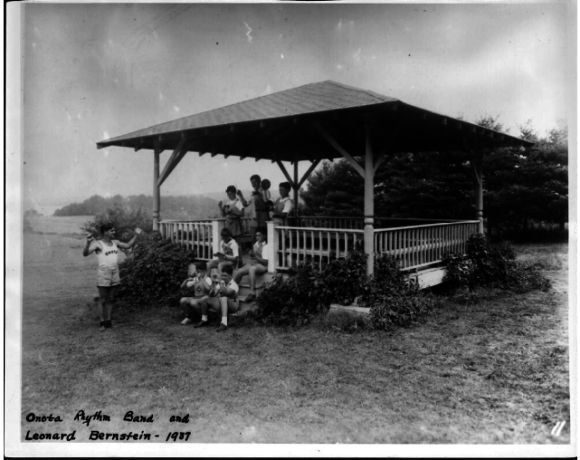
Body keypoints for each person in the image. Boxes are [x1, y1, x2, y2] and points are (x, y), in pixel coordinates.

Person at [83, 223, 142, 331]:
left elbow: (128, 245)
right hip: (104, 272)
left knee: (111, 298)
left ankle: (108, 321)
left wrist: (136, 235)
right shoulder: (98, 244)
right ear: (105, 232)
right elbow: (85, 253)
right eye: (112, 231)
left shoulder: (115, 243)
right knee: (102, 299)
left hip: (115, 271)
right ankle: (102, 322)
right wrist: (87, 242)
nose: (114, 232)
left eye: (114, 230)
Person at [193, 264, 239, 332]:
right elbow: (214, 294)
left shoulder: (234, 285)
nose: (223, 277)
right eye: (222, 275)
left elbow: (226, 292)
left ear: (230, 276)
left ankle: (224, 323)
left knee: (224, 298)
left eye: (225, 276)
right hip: (222, 304)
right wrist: (212, 290)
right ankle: (204, 319)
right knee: (205, 298)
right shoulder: (222, 282)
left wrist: (220, 282)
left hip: (233, 306)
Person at [234, 226, 269, 303]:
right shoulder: (256, 244)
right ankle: (233, 290)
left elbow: (265, 262)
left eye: (259, 235)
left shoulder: (266, 246)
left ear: (265, 236)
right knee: (240, 271)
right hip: (256, 263)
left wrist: (255, 256)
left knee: (252, 269)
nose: (257, 237)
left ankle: (252, 292)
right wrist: (251, 255)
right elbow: (254, 258)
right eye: (256, 235)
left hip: (263, 266)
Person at [237, 174, 268, 240]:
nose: (253, 184)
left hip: (262, 219)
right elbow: (245, 204)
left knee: (263, 239)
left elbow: (266, 201)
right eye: (252, 183)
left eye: (255, 182)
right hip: (254, 220)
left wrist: (259, 193)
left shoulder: (265, 191)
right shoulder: (252, 193)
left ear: (260, 182)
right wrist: (240, 195)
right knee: (253, 238)